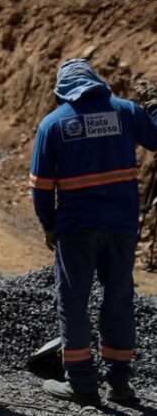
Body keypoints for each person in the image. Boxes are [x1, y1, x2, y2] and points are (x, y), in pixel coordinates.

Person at [29, 58, 157, 407]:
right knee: (117, 298)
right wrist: (155, 108)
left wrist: (49, 225)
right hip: (121, 226)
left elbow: (41, 187)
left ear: (63, 90)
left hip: (76, 228)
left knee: (73, 302)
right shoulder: (127, 112)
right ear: (95, 82)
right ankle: (119, 384)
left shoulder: (53, 125)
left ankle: (82, 385)